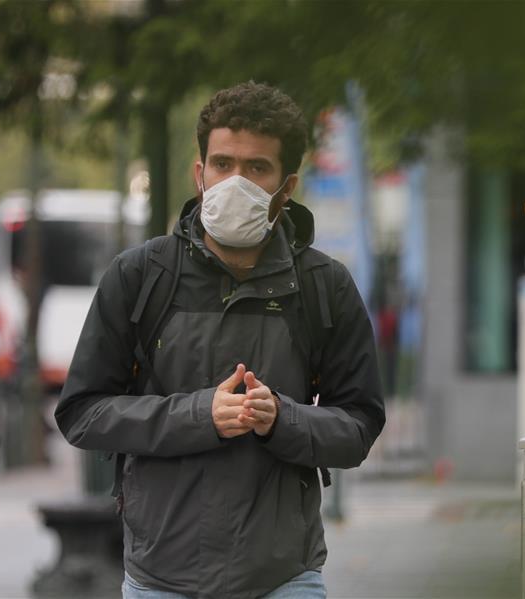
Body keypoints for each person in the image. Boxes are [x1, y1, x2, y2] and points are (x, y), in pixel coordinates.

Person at [55, 81, 385, 599]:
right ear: (199, 173)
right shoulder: (141, 276)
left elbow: (360, 425)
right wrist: (199, 414)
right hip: (160, 577)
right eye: (223, 164)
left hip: (284, 578)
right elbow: (81, 413)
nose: (236, 181)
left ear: (287, 185)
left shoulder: (325, 286)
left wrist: (282, 417)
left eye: (257, 169)